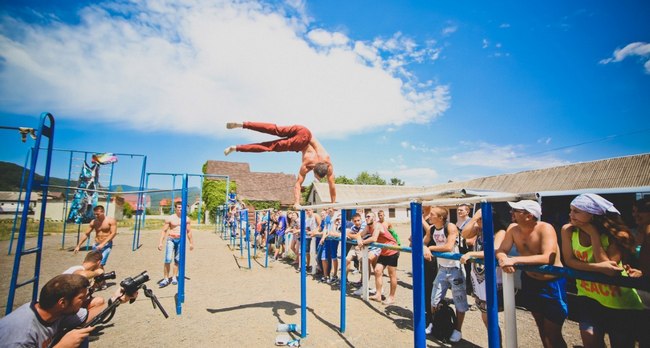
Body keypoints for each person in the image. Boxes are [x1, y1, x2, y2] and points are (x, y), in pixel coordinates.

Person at [560, 193, 643, 348]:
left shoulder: (617, 235)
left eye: (576, 211)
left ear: (593, 214)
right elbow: (570, 261)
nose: (571, 215)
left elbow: (610, 270)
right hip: (588, 297)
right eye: (571, 210)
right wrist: (597, 268)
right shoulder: (568, 230)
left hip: (619, 302)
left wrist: (593, 234)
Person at [496, 200, 567, 348]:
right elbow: (502, 250)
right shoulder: (513, 229)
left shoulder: (545, 228)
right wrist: (504, 260)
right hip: (530, 281)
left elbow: (548, 257)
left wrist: (514, 260)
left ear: (528, 216)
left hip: (551, 284)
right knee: (541, 326)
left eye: (515, 210)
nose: (511, 213)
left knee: (552, 333)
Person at [0, 274, 137, 348]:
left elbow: (90, 316)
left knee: (78, 336)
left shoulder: (55, 312)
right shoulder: (19, 337)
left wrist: (116, 300)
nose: (84, 302)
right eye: (81, 298)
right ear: (63, 302)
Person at [224, 122, 336, 208]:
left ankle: (243, 124)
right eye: (315, 175)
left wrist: (333, 203)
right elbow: (299, 185)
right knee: (269, 146)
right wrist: (297, 203)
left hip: (304, 130)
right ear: (315, 170)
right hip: (299, 143)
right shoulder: (307, 165)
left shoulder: (326, 160)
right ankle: (236, 148)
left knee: (275, 129)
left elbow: (332, 186)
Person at [422, 206, 468, 343]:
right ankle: (435, 323)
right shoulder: (431, 228)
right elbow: (423, 242)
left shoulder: (450, 227)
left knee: (460, 302)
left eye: (432, 214)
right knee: (434, 299)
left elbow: (448, 247)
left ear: (440, 217)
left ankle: (458, 330)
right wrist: (425, 247)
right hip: (442, 268)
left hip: (455, 269)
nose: (429, 216)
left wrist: (430, 248)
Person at [460, 208, 507, 337]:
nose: (478, 222)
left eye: (481, 219)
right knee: (485, 317)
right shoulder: (479, 230)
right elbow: (464, 234)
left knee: (491, 318)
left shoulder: (500, 232)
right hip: (479, 278)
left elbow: (493, 250)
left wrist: (471, 253)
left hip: (493, 278)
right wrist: (474, 218)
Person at [356, 211, 400, 305]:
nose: (366, 218)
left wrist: (362, 242)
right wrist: (359, 240)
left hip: (392, 250)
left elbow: (374, 238)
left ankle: (391, 297)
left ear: (374, 218)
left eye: (368, 216)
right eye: (366, 216)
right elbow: (359, 234)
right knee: (377, 270)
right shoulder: (368, 227)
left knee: (392, 274)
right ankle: (378, 294)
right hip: (384, 251)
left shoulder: (378, 226)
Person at [157, 201, 194, 288]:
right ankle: (166, 278)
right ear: (175, 208)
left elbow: (189, 232)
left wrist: (191, 243)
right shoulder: (170, 218)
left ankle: (174, 277)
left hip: (180, 239)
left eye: (182, 207)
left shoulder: (186, 219)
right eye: (179, 207)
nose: (180, 209)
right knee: (168, 259)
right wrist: (160, 242)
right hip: (171, 239)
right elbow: (164, 231)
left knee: (177, 260)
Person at [456, 204, 474, 296]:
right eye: (458, 210)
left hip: (470, 250)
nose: (459, 212)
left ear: (467, 211)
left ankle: (472, 291)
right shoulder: (457, 223)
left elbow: (473, 238)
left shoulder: (471, 222)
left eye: (461, 210)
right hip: (460, 249)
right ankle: (467, 289)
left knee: (471, 272)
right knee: (465, 271)